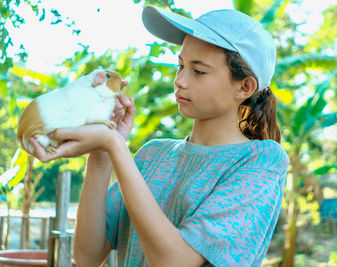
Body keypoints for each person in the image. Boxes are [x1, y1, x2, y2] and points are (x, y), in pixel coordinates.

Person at [22, 4, 289, 267]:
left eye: (198, 71)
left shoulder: (262, 161)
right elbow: (86, 255)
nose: (180, 81)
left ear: (244, 86)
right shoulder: (154, 154)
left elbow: (173, 262)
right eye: (180, 65)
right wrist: (101, 153)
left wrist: (115, 145)